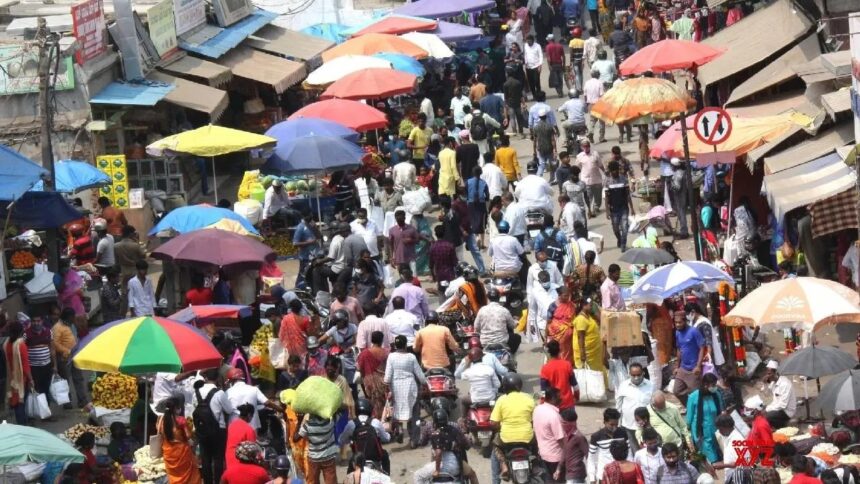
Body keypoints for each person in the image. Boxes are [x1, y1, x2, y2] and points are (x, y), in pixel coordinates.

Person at [490, 373, 536, 483]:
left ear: (505, 386)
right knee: (537, 452)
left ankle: (502, 467)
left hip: (507, 439)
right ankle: (536, 468)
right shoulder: (529, 398)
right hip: (527, 438)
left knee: (495, 449)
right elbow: (535, 419)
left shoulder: (501, 400)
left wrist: (499, 426)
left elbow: (493, 422)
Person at [194, 369, 234, 484]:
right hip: (218, 430)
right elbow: (229, 409)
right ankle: (218, 481)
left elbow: (194, 407)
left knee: (205, 458)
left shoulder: (196, 391)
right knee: (218, 459)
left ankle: (207, 482)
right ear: (217, 379)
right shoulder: (219, 393)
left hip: (201, 430)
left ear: (205, 378)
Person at [384, 335, 426, 443]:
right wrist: (425, 384)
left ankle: (399, 429)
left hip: (396, 388)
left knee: (397, 410)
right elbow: (420, 375)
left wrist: (388, 389)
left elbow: (387, 377)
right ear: (406, 345)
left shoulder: (391, 357)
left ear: (395, 346)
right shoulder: (411, 357)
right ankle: (414, 439)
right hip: (411, 387)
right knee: (415, 413)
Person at [414, 409, 471, 484]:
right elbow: (466, 445)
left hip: (443, 464)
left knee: (418, 475)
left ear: (434, 421)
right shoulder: (454, 428)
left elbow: (438, 452)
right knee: (472, 474)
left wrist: (437, 470)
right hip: (457, 463)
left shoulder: (436, 433)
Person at [158, 397, 202, 483]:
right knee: (189, 477)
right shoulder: (180, 420)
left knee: (173, 476)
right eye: (178, 407)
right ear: (175, 408)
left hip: (168, 452)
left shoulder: (161, 420)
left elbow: (160, 432)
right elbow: (188, 436)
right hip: (181, 453)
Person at [53, 307, 88, 409]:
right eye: (72, 317)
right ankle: (67, 402)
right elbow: (55, 344)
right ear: (68, 317)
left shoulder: (70, 325)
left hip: (74, 355)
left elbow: (75, 336)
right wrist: (66, 351)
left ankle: (82, 400)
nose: (74, 319)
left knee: (78, 378)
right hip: (64, 358)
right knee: (65, 381)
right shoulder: (57, 327)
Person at [685, 373, 723, 463]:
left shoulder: (716, 395)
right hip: (701, 430)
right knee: (707, 448)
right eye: (713, 385)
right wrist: (688, 429)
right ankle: (713, 463)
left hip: (714, 427)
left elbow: (720, 410)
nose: (715, 387)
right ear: (705, 385)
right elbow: (689, 416)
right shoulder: (693, 397)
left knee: (715, 444)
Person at [587, 409, 631, 482]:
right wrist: (592, 478)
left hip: (621, 475)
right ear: (604, 422)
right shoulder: (596, 436)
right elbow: (591, 458)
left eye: (616, 425)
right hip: (603, 476)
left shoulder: (623, 433)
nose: (615, 427)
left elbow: (629, 453)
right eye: (611, 425)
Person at [456, 346, 501, 416]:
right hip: (490, 399)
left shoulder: (469, 372)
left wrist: (466, 363)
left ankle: (463, 419)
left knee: (463, 401)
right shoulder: (489, 369)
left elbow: (458, 375)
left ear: (471, 360)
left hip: (475, 399)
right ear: (482, 357)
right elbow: (498, 385)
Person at [672, 308, 705, 404]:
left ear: (685, 321)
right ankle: (689, 405)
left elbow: (702, 348)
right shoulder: (677, 332)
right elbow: (679, 349)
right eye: (676, 322)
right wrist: (677, 367)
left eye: (679, 322)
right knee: (677, 391)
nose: (677, 325)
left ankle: (695, 407)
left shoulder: (694, 331)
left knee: (696, 394)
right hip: (683, 368)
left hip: (693, 369)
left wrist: (698, 366)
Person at [534, 386, 566, 479]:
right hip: (555, 458)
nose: (561, 398)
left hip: (542, 454)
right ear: (552, 398)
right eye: (559, 396)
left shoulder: (538, 409)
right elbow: (561, 441)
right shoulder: (554, 416)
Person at [296, 413, 338, 484]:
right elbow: (338, 412)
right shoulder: (330, 421)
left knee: (313, 481)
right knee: (331, 480)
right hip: (328, 456)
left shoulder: (308, 425)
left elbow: (295, 438)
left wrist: (299, 421)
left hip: (314, 458)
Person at [604, 160, 635, 251]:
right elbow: (606, 197)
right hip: (613, 209)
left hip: (624, 208)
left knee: (625, 228)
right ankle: (619, 239)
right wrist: (607, 211)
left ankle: (623, 244)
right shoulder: (607, 182)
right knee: (616, 229)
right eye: (613, 170)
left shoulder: (624, 179)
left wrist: (632, 208)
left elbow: (627, 194)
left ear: (618, 169)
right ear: (610, 171)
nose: (615, 172)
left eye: (616, 170)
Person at [356, 331, 388, 420]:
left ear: (371, 340)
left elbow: (359, 368)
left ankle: (377, 422)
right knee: (385, 404)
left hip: (369, 384)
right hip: (384, 383)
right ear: (382, 340)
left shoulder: (364, 353)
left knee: (374, 405)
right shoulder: (386, 353)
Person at [540, 339, 579, 410]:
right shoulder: (567, 365)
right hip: (568, 404)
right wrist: (577, 396)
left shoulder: (545, 368)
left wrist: (542, 401)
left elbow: (543, 390)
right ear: (560, 350)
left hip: (553, 406)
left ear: (548, 352)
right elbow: (575, 385)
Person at [685, 302, 725, 369]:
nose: (687, 316)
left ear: (693, 311)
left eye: (687, 313)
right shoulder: (693, 321)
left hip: (704, 352)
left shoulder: (704, 323)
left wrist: (708, 353)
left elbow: (708, 340)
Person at [4, 321, 30, 424]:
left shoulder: (6, 344)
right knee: (21, 403)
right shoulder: (20, 344)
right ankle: (23, 425)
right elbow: (25, 365)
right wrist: (31, 379)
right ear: (20, 331)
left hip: (11, 378)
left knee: (16, 403)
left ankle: (21, 424)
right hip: (21, 379)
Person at [616, 363, 655, 430]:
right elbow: (618, 405)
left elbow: (654, 405)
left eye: (638, 375)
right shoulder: (623, 386)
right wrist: (618, 424)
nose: (636, 378)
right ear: (629, 374)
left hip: (646, 425)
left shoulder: (651, 385)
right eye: (633, 375)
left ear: (643, 373)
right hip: (628, 425)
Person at [573, 299, 606, 375]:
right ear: (583, 306)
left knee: (598, 373)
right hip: (587, 354)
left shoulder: (589, 317)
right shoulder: (581, 319)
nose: (591, 307)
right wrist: (582, 353)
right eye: (590, 305)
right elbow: (580, 337)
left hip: (594, 353)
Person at [764, 359, 796, 429]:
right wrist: (765, 383)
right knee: (761, 410)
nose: (767, 376)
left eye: (769, 374)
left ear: (776, 373)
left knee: (767, 416)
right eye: (767, 374)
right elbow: (766, 394)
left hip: (786, 411)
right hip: (777, 407)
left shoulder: (785, 384)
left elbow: (782, 405)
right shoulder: (773, 382)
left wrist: (767, 409)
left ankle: (784, 424)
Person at [713, 414, 745, 483]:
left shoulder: (738, 440)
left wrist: (723, 465)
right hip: (731, 477)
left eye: (720, 429)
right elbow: (732, 458)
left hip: (739, 478)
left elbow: (742, 462)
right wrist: (721, 463)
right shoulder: (727, 438)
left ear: (725, 427)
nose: (719, 432)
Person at [576, 139, 604, 215]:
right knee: (589, 196)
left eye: (587, 146)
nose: (586, 148)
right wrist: (576, 178)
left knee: (598, 196)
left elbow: (600, 165)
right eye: (584, 146)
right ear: (581, 147)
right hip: (586, 180)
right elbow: (577, 168)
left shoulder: (595, 154)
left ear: (589, 146)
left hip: (596, 179)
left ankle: (596, 206)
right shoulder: (579, 156)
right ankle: (590, 210)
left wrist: (605, 172)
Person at [583, 71, 606, 143]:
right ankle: (601, 138)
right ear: (598, 75)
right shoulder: (599, 83)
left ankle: (590, 132)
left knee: (592, 121)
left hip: (590, 104)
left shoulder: (587, 82)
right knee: (602, 121)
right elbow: (601, 94)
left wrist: (586, 104)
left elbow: (585, 95)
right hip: (599, 103)